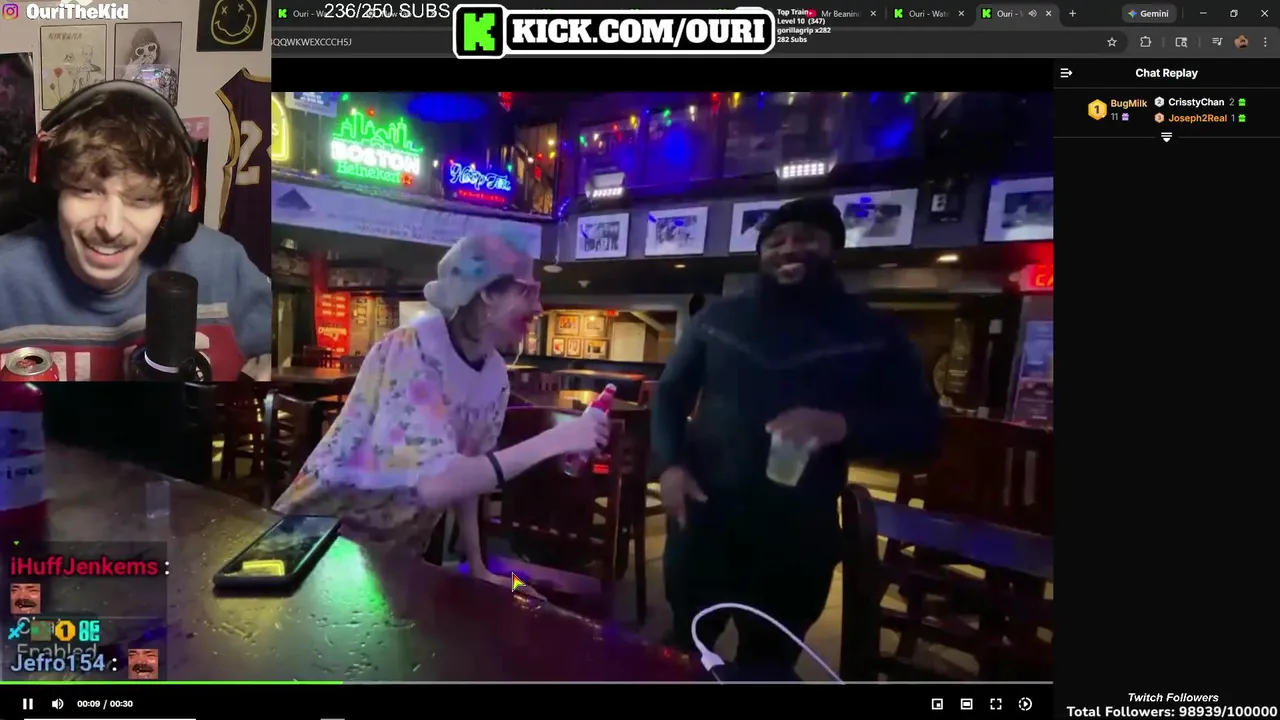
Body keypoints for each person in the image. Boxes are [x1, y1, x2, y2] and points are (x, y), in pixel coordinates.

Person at [652, 197, 941, 679]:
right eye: (775, 241)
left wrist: (839, 426)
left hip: (797, 537)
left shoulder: (874, 332)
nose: (788, 248)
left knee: (769, 665)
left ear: (834, 248)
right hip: (704, 519)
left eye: (805, 237)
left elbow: (923, 431)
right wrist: (669, 466)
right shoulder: (718, 319)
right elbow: (669, 394)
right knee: (684, 646)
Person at [272, 234, 609, 590]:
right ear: (486, 293)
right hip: (318, 540)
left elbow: (469, 472)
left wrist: (477, 566)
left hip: (389, 557)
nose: (539, 307)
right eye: (527, 291)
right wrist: (555, 440)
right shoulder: (413, 348)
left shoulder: (495, 373)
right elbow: (434, 483)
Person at [0, 81, 270, 381]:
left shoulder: (224, 268)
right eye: (86, 190)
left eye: (141, 199)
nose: (111, 227)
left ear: (177, 207)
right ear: (51, 190)